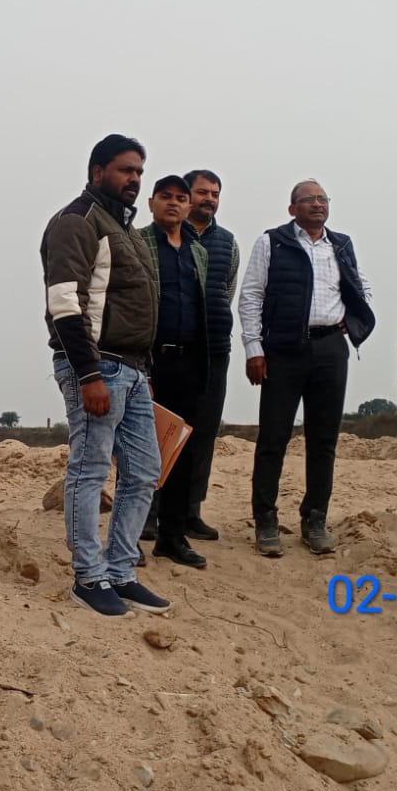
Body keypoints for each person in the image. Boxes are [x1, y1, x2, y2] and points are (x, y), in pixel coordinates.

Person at [41, 134, 169, 617]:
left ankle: (119, 571)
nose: (134, 179)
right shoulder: (78, 221)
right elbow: (64, 303)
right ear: (97, 172)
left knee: (144, 472)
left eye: (139, 171)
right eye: (125, 170)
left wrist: (143, 371)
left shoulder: (126, 228)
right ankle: (88, 577)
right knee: (90, 469)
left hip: (132, 370)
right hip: (99, 366)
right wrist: (88, 373)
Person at [238, 179, 374, 558]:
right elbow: (251, 295)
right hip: (283, 350)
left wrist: (352, 320)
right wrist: (253, 348)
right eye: (309, 199)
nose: (317, 204)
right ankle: (265, 520)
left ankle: (315, 519)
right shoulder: (272, 242)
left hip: (331, 348)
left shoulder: (341, 244)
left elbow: (360, 286)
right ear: (292, 208)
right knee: (273, 437)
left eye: (322, 198)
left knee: (324, 440)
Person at [139, 174, 210, 569]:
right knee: (140, 451)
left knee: (183, 451)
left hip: (190, 362)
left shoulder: (198, 251)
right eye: (165, 196)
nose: (174, 203)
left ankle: (172, 536)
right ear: (151, 202)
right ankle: (131, 534)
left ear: (188, 206)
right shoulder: (137, 243)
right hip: (149, 362)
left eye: (181, 198)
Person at [180, 168, 239, 541]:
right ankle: (152, 511)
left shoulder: (228, 242)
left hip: (214, 350)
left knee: (204, 435)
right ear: (187, 195)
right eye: (203, 192)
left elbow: (227, 290)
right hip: (173, 350)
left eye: (215, 193)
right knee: (164, 433)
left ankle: (191, 512)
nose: (210, 199)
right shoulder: (166, 235)